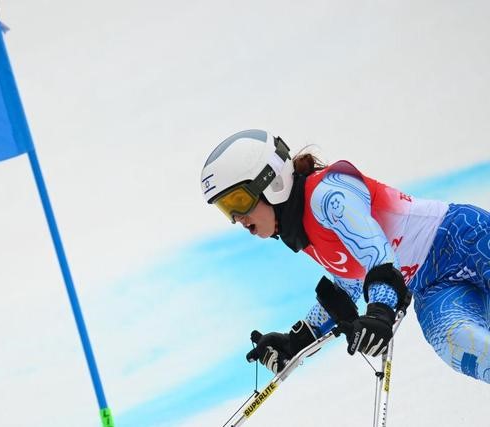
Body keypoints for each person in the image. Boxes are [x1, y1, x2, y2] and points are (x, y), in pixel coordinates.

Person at [200, 129, 490, 383]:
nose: (238, 218)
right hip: (432, 286)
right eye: (227, 208)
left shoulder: (328, 196)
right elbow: (347, 286)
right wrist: (296, 340)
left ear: (270, 180)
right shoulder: (303, 230)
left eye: (239, 200)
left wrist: (380, 312)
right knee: (458, 345)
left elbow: (378, 256)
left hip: (464, 240)